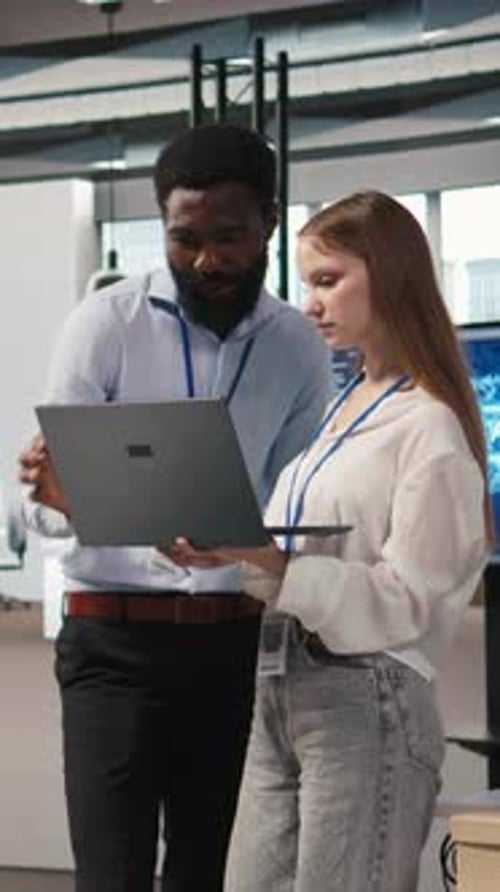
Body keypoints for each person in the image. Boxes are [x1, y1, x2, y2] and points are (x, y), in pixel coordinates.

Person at [18, 123, 331, 892]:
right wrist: (54, 495)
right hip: (111, 643)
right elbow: (45, 512)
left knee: (210, 871)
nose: (205, 259)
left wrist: (237, 538)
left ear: (269, 222)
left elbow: (297, 496)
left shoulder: (298, 346)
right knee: (113, 873)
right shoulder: (105, 325)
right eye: (184, 237)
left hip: (235, 649)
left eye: (228, 237)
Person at [164, 190, 491, 892]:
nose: (309, 304)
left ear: (391, 275)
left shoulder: (429, 427)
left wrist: (272, 560)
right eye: (306, 282)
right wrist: (229, 549)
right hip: (282, 683)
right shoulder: (343, 409)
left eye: (327, 280)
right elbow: (289, 557)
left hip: (366, 696)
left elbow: (407, 601)